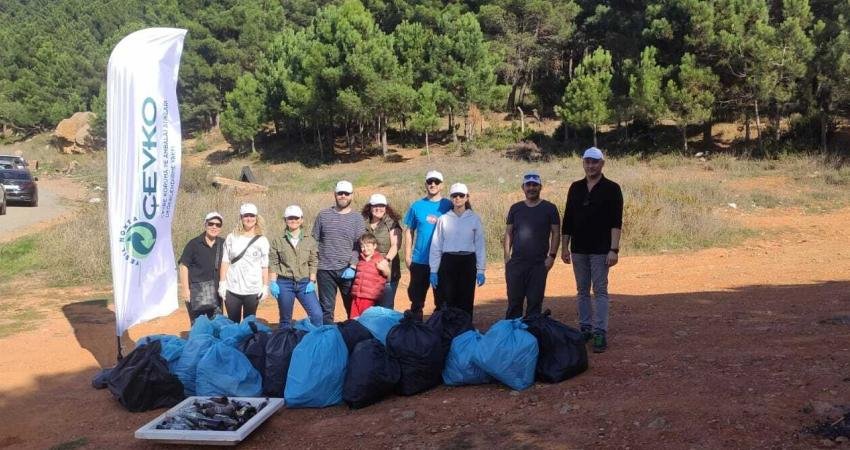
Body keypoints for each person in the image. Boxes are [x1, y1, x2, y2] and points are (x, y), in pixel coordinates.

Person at [561, 147, 623, 353]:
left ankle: (600, 332)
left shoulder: (612, 188)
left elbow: (616, 221)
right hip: (578, 248)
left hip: (600, 249)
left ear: (602, 164)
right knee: (581, 291)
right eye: (587, 162)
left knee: (600, 291)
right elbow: (568, 219)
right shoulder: (575, 187)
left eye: (594, 162)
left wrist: (614, 249)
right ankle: (585, 328)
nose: (590, 165)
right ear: (583, 163)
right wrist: (564, 247)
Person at [503, 172, 561, 319]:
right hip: (516, 263)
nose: (531, 188)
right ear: (523, 187)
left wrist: (552, 257)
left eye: (535, 185)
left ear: (540, 187)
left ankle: (532, 336)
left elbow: (556, 233)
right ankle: (513, 336)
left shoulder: (550, 208)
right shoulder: (515, 208)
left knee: (535, 302)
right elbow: (509, 232)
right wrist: (507, 257)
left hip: (539, 264)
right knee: (514, 302)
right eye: (528, 185)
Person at [428, 183, 486, 317]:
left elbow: (480, 245)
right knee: (448, 299)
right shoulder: (443, 219)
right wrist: (434, 270)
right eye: (454, 195)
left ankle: (465, 331)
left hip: (468, 261)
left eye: (461, 195)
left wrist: (481, 270)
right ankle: (448, 332)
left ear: (467, 197)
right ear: (451, 198)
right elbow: (436, 246)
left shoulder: (474, 219)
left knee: (466, 299)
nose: (458, 198)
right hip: (448, 261)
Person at [313, 180, 366, 324]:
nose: (343, 196)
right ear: (335, 195)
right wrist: (313, 267)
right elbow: (313, 241)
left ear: (352, 196)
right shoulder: (323, 215)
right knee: (327, 310)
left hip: (347, 269)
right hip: (325, 270)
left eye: (346, 193)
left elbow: (359, 245)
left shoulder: (357, 218)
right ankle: (328, 339)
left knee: (352, 308)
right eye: (340, 193)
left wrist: (353, 265)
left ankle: (352, 338)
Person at [403, 170, 452, 320]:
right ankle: (416, 332)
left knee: (442, 301)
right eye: (430, 181)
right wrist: (407, 256)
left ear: (441, 185)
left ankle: (440, 331)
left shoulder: (449, 205)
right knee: (416, 301)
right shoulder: (416, 206)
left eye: (436, 182)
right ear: (425, 184)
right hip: (420, 260)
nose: (433, 184)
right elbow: (408, 230)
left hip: (442, 260)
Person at [268, 205, 323, 328]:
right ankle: (284, 344)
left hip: (304, 283)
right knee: (285, 320)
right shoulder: (278, 241)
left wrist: (312, 281)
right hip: (284, 283)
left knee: (317, 315)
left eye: (296, 218)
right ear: (285, 220)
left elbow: (313, 261)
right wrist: (273, 282)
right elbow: (273, 262)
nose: (293, 221)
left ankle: (314, 342)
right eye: (290, 218)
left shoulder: (310, 241)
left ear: (301, 220)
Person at [218, 203, 271, 323]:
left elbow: (264, 266)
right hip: (232, 289)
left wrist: (265, 286)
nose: (249, 219)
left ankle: (248, 342)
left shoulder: (262, 240)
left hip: (253, 289)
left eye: (252, 216)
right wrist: (222, 283)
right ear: (241, 218)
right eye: (246, 216)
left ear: (256, 218)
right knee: (233, 323)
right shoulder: (231, 237)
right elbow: (225, 261)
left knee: (249, 324)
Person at [178, 211, 225, 324]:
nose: (214, 227)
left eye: (218, 225)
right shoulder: (193, 244)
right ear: (205, 225)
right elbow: (183, 266)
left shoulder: (224, 243)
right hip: (196, 293)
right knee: (198, 327)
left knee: (217, 326)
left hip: (216, 293)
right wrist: (185, 290)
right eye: (211, 224)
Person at [361, 193, 402, 309]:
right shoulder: (362, 222)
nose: (378, 209)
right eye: (375, 206)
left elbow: (395, 245)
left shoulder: (391, 223)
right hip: (368, 271)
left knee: (386, 307)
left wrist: (386, 260)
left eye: (381, 206)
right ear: (370, 207)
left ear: (386, 207)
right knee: (368, 308)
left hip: (387, 270)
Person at [349, 233, 391, 318]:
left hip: (369, 298)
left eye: (368, 246)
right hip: (356, 297)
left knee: (366, 320)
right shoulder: (360, 260)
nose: (365, 249)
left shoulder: (380, 260)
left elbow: (388, 276)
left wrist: (385, 269)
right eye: (362, 246)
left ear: (374, 246)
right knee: (353, 320)